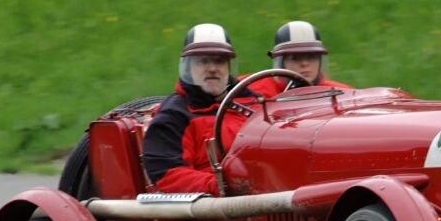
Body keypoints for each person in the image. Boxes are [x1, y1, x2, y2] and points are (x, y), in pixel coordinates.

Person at [142, 23, 255, 195]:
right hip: (217, 203)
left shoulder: (254, 103)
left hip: (268, 190)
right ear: (188, 68)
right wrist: (221, 185)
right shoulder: (174, 116)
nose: (213, 69)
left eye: (219, 61)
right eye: (203, 61)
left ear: (228, 67)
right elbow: (167, 174)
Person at [248, 21, 352, 98]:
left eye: (311, 57)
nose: (305, 63)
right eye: (295, 58)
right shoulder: (257, 92)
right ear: (282, 63)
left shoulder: (342, 94)